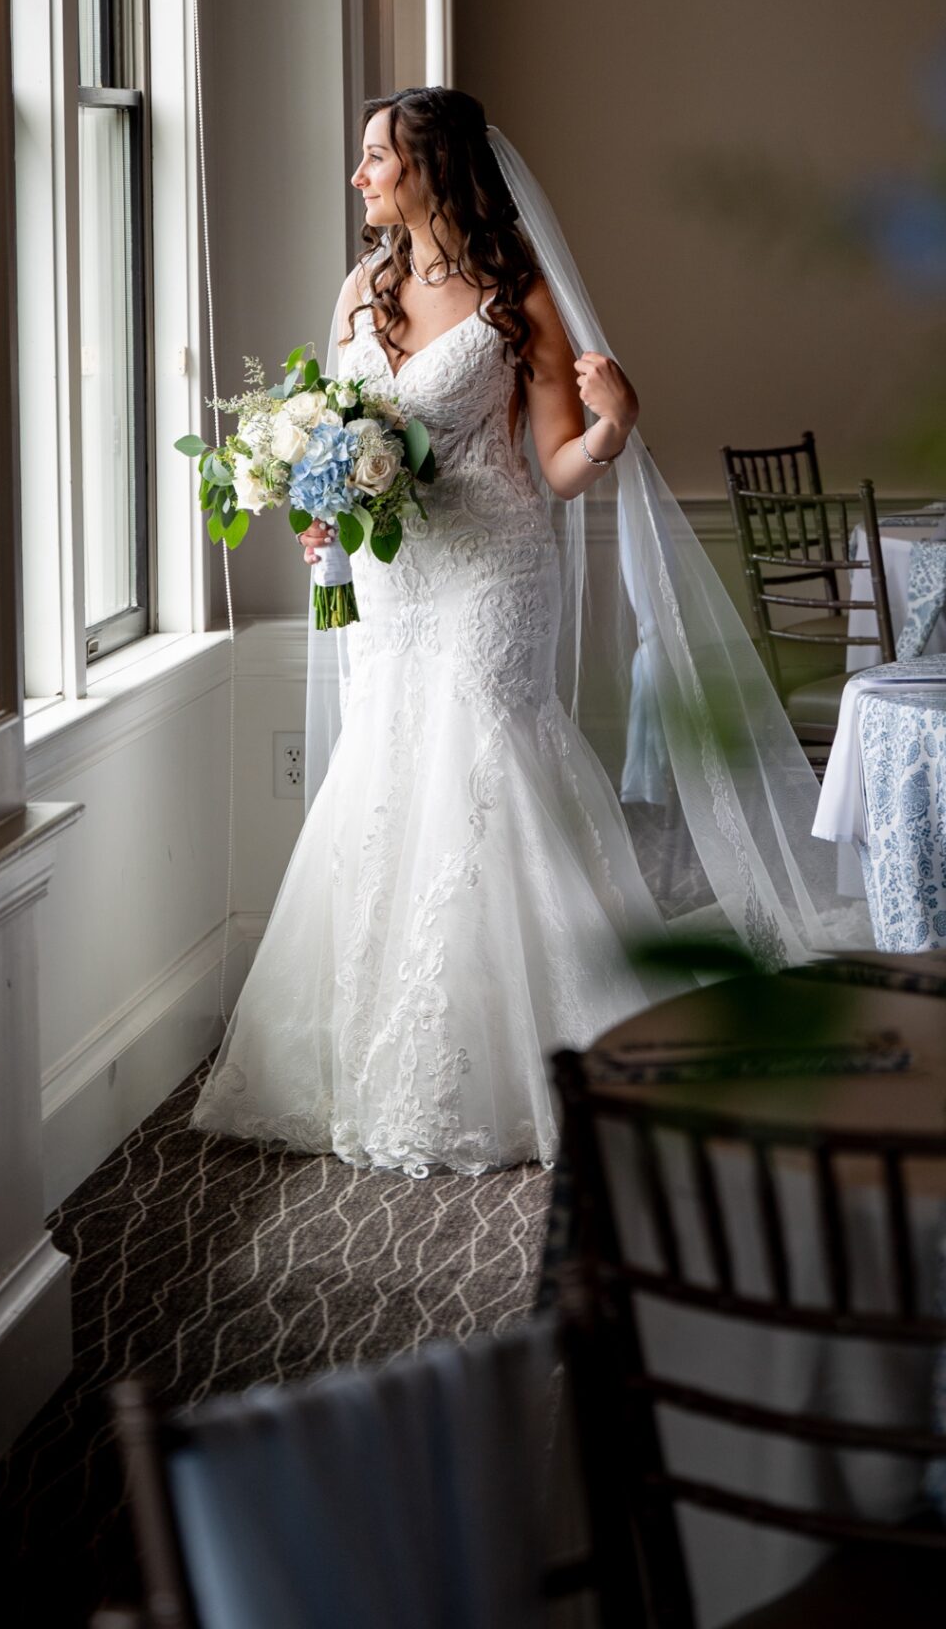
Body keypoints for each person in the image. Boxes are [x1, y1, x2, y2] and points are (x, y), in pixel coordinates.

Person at [192, 89, 866, 1177]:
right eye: (364, 156)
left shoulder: (521, 298)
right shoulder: (360, 290)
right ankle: (371, 1053)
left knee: (486, 765)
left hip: (497, 569)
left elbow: (554, 466)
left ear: (431, 169)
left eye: (376, 156)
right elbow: (336, 420)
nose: (359, 173)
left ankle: (529, 1056)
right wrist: (316, 496)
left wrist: (613, 426)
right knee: (386, 772)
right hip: (392, 576)